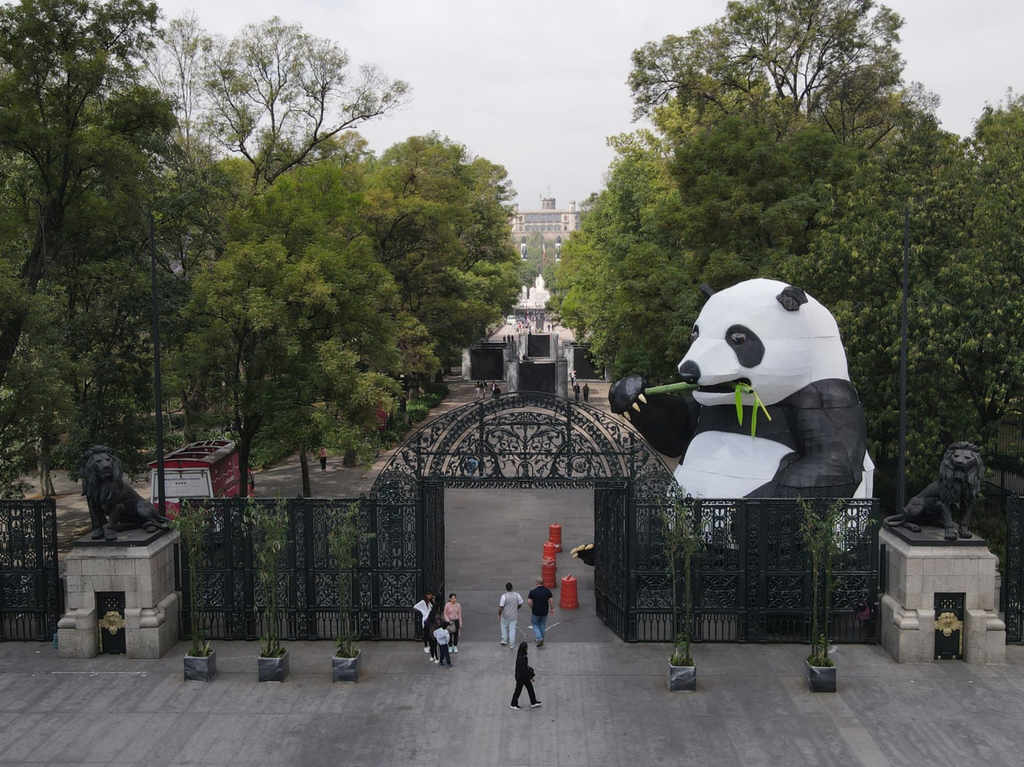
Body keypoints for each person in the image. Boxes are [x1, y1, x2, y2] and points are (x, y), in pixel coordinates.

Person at [510, 641, 541, 709]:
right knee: (520, 690)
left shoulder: (520, 655)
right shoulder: (523, 657)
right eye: (526, 647)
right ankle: (513, 704)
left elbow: (524, 668)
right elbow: (524, 669)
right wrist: (531, 676)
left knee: (526, 689)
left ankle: (533, 702)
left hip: (520, 676)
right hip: (522, 677)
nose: (527, 649)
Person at [527, 578, 554, 646]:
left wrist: (532, 607)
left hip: (536, 611)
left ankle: (539, 638)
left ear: (536, 583)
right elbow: (551, 600)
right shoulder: (547, 591)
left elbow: (529, 601)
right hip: (544, 611)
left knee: (535, 624)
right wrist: (552, 609)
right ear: (543, 583)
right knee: (542, 624)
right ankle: (541, 638)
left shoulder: (533, 591)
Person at [498, 582, 523, 646]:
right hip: (514, 615)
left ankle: (504, 640)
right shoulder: (517, 595)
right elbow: (521, 603)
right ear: (512, 588)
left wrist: (499, 614)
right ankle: (512, 644)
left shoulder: (504, 596)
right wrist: (517, 608)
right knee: (512, 629)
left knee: (504, 627)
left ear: (506, 588)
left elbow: (501, 607)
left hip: (505, 615)